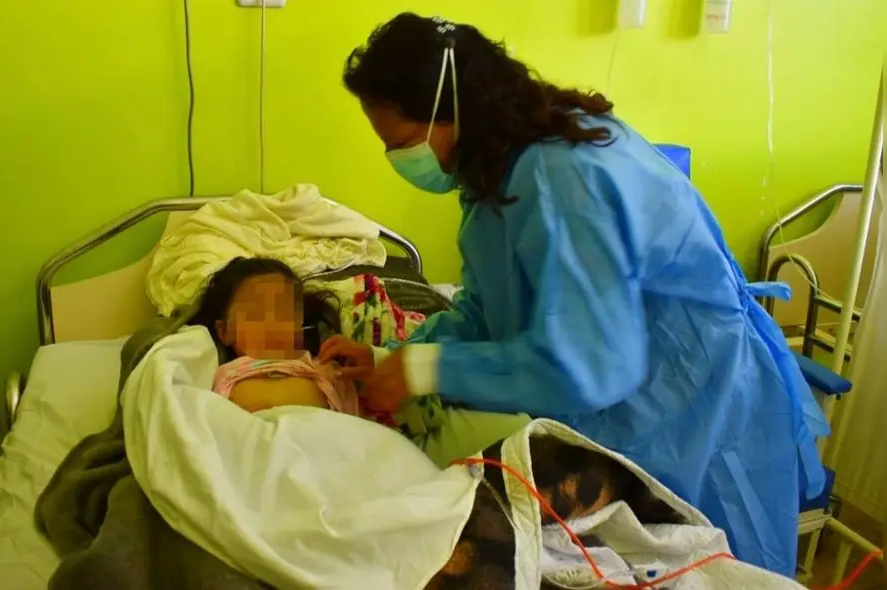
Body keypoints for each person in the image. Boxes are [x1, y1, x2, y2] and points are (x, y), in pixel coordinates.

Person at [324, 12, 831, 577]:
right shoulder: (495, 173)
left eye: (403, 142)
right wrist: (395, 359)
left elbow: (588, 363)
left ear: (452, 107)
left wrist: (426, 369)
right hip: (634, 416)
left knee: (714, 567)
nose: (400, 160)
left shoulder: (562, 174)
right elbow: (489, 307)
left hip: (697, 414)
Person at [191, 257, 359, 416]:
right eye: (255, 315)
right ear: (225, 332)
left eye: (284, 313)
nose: (273, 324)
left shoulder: (327, 370)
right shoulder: (212, 376)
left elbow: (360, 429)